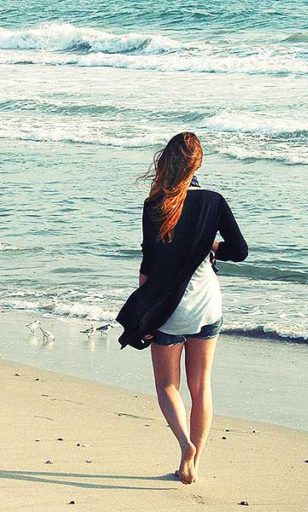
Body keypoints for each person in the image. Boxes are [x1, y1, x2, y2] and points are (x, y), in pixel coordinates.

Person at [115, 132, 247, 484]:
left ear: (167, 163)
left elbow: (148, 266)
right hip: (207, 306)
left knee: (167, 386)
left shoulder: (154, 204)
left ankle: (184, 445)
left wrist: (145, 312)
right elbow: (240, 250)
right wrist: (213, 245)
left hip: (169, 310)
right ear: (197, 164)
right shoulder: (214, 201)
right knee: (201, 386)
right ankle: (193, 464)